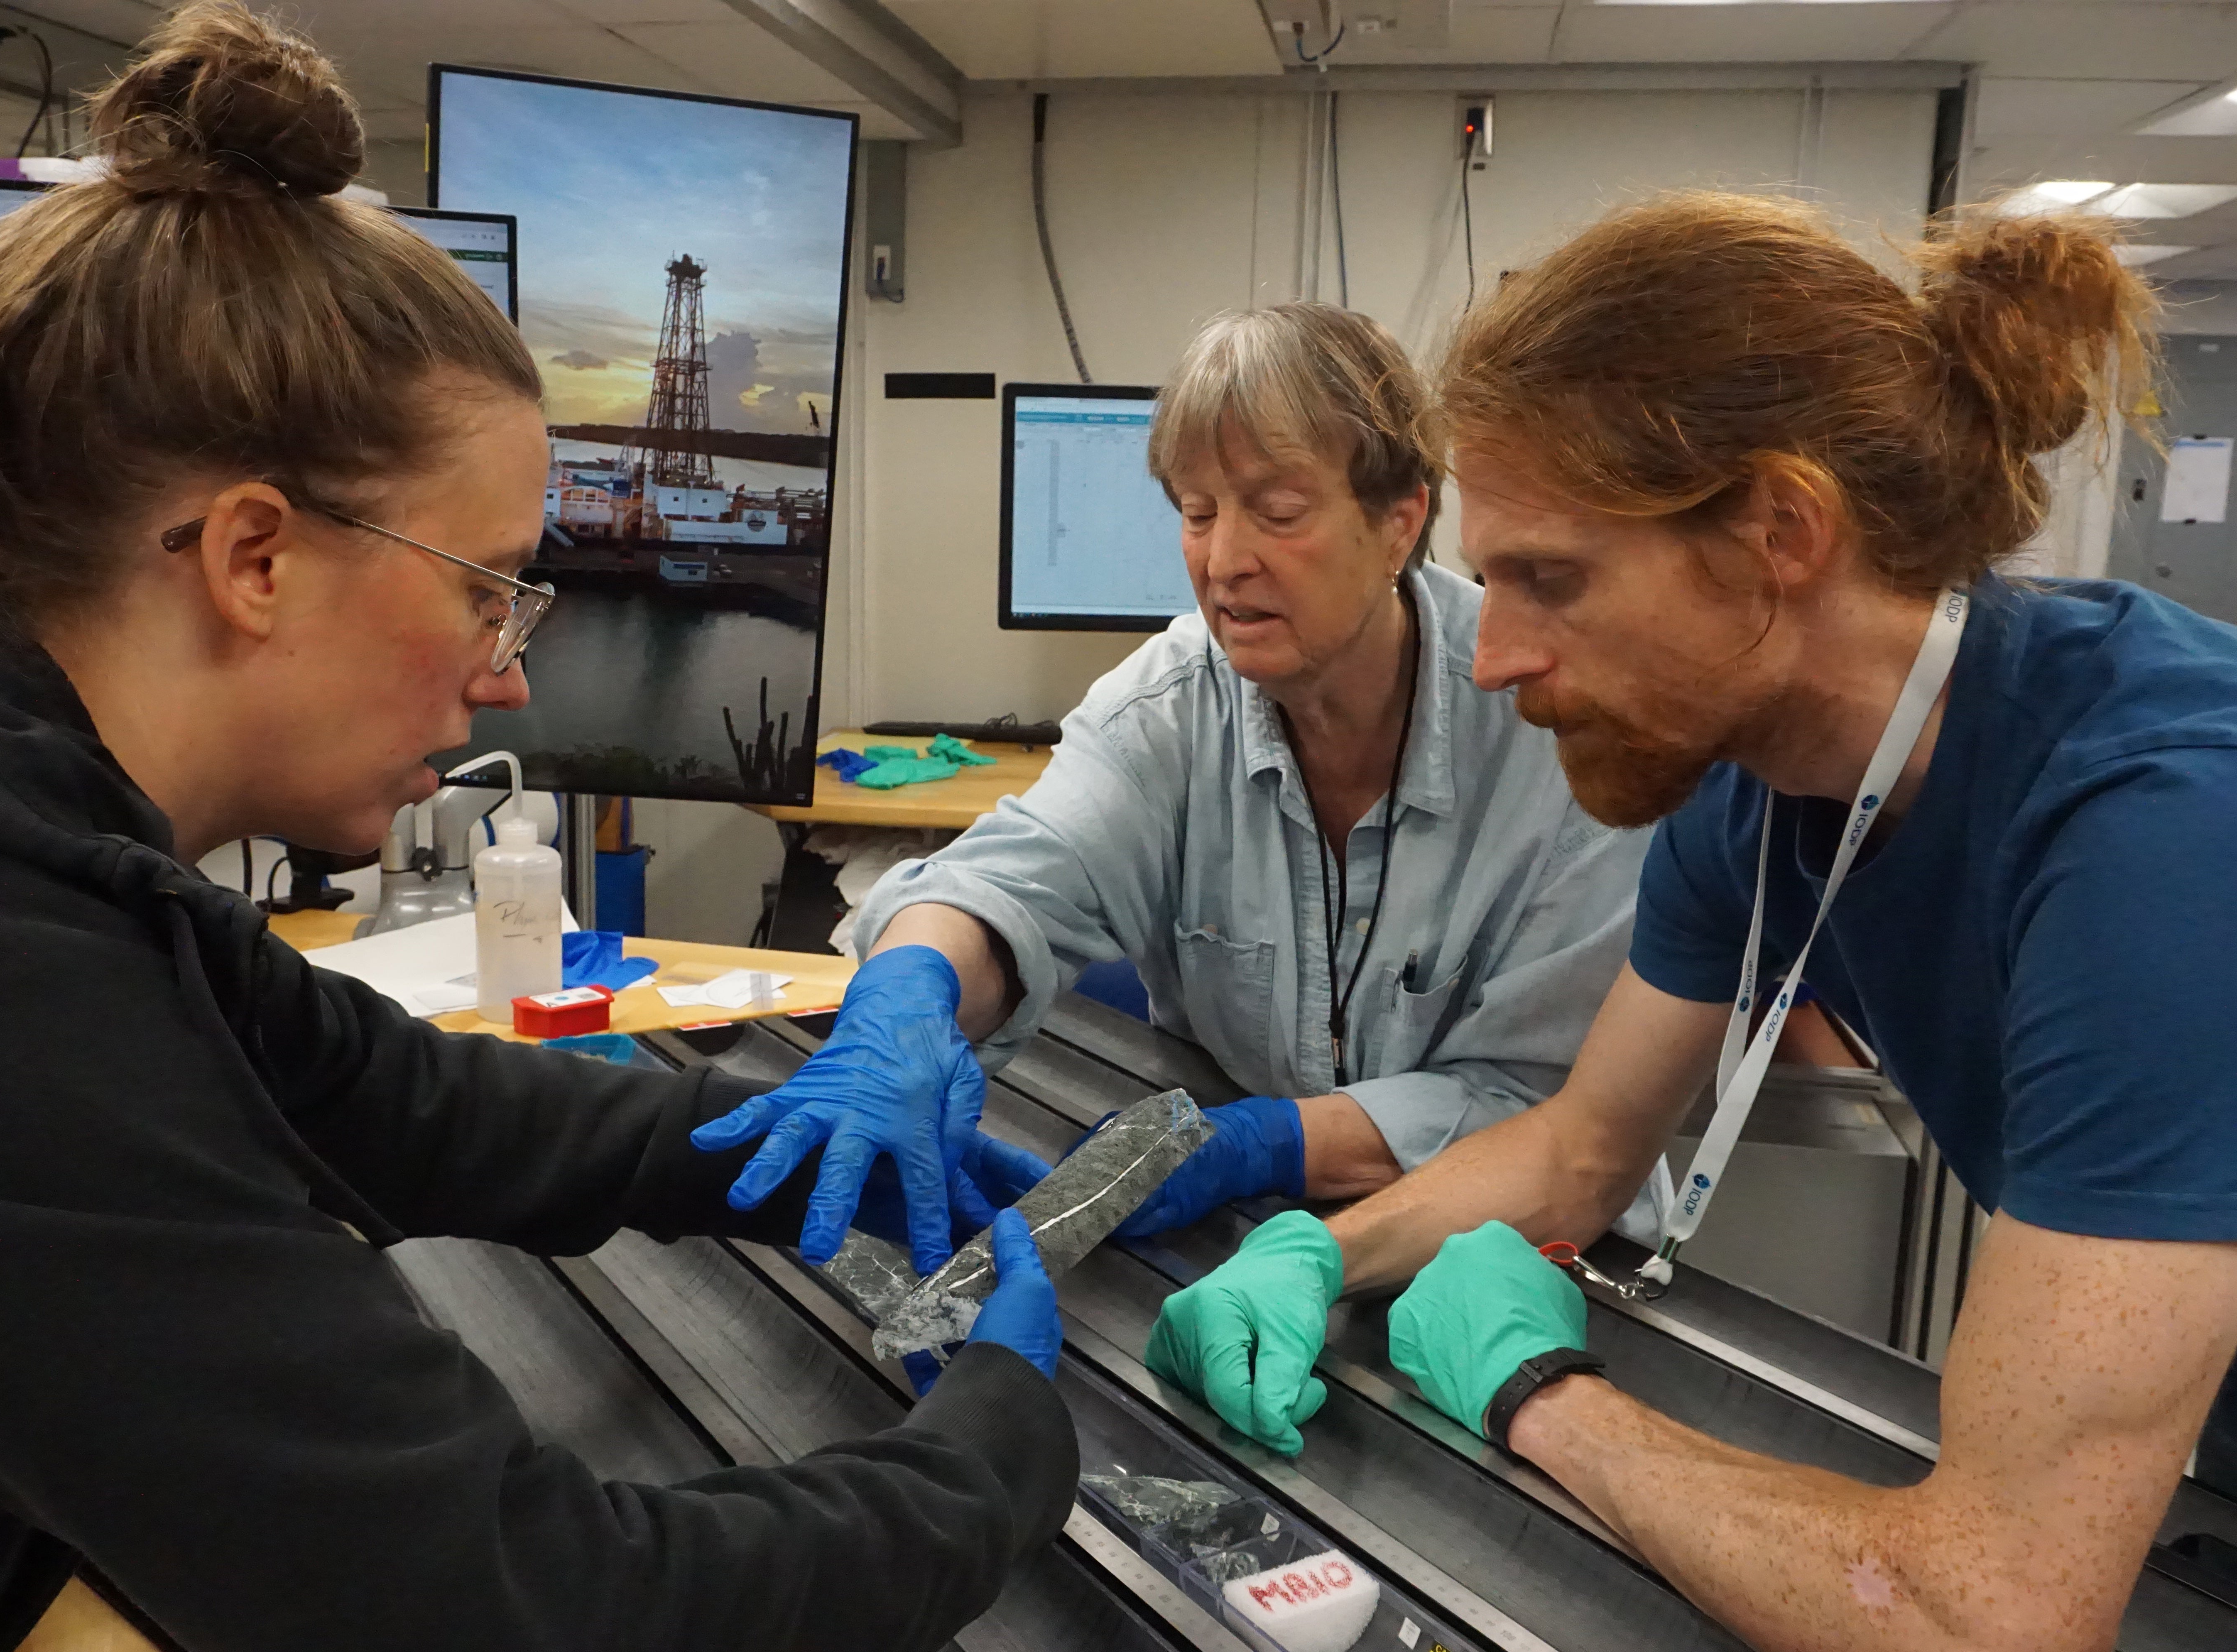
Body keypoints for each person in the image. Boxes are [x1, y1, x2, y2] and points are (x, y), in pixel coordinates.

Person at [0, 7, 1068, 1652]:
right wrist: (997, 1449)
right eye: (490, 590)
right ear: (256, 557)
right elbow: (521, 1604)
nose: (510, 682)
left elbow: (373, 1089)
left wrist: (761, 1158)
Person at [1148, 193, 2237, 1652]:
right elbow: (1582, 1151)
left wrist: (1546, 1400)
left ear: (1780, 530)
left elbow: (1994, 1620)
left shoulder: (2172, 837)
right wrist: (1320, 1258)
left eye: (1552, 579)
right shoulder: (1769, 793)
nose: (1499, 655)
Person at [703, 304, 1661, 1368]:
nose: (1226, 559)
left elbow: (1560, 1112)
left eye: (1278, 510)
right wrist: (912, 989)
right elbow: (1022, 872)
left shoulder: (1551, 728)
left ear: (1399, 520)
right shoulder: (1167, 707)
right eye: (1198, 513)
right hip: (1265, 1253)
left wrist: (1265, 1139)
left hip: (1529, 1256)